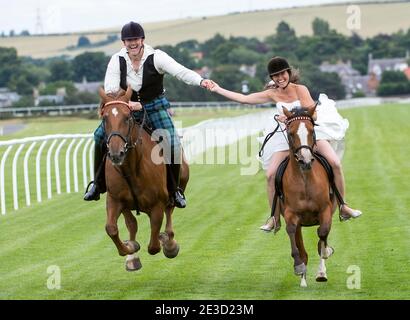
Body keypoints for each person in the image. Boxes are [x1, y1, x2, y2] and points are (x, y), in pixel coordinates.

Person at [208, 56, 362, 231]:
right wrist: (218, 88)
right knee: (271, 174)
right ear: (272, 78)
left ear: (289, 73)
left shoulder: (300, 89)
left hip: (308, 132)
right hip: (286, 136)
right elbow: (244, 99)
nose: (280, 78)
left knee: (334, 162)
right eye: (275, 76)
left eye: (282, 74)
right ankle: (274, 218)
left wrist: (289, 117)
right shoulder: (272, 93)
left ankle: (343, 206)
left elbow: (312, 114)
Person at [83, 21, 213, 208]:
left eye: (135, 39)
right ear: (123, 42)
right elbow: (111, 90)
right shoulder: (116, 60)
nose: (132, 43)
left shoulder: (157, 56)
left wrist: (201, 81)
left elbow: (180, 72)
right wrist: (128, 103)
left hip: (154, 107)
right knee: (98, 137)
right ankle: (97, 184)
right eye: (128, 40)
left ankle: (174, 190)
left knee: (173, 144)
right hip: (125, 109)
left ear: (142, 39)